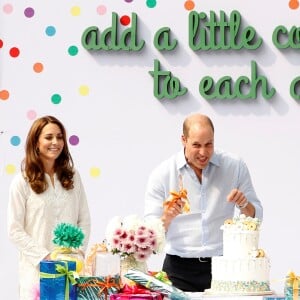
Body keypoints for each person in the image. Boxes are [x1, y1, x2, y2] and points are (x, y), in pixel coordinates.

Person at [144, 113, 263, 292]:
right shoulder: (162, 174)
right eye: (196, 145)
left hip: (224, 268)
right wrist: (167, 217)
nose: (203, 153)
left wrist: (244, 204)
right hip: (178, 270)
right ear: (183, 140)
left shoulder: (234, 166)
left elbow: (256, 217)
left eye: (209, 144)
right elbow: (149, 235)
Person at [7, 115, 91, 300]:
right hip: (36, 272)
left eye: (60, 137)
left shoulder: (73, 176)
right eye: (48, 137)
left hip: (71, 271)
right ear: (36, 142)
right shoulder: (23, 181)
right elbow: (14, 230)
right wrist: (47, 258)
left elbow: (83, 219)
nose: (55, 142)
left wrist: (77, 255)